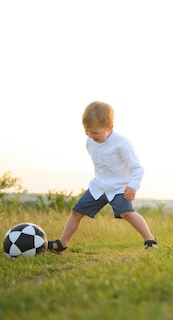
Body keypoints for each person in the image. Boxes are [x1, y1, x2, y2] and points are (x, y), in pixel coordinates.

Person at [48, 101, 157, 252]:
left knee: (126, 213)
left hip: (119, 188)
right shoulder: (90, 142)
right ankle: (61, 244)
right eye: (87, 132)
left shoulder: (121, 143)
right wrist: (92, 136)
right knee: (76, 212)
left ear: (109, 128)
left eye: (95, 133)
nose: (91, 136)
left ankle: (149, 239)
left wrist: (133, 186)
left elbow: (137, 168)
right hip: (98, 187)